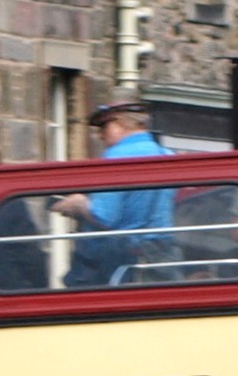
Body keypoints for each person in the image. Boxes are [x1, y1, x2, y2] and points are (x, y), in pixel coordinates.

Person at [55, 101, 176, 288]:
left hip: (118, 265)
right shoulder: (167, 155)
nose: (101, 136)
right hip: (159, 257)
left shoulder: (116, 157)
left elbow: (104, 216)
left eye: (104, 127)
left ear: (120, 124)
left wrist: (78, 203)